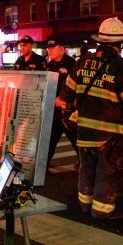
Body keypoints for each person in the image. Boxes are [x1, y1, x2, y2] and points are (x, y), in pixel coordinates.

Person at [56, 18, 123, 220]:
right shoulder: (121, 66)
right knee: (108, 171)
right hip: (111, 133)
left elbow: (65, 96)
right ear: (120, 43)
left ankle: (85, 204)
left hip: (85, 130)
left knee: (87, 168)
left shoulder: (82, 62)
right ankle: (102, 210)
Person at [45, 38, 77, 170]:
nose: (50, 50)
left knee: (75, 137)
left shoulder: (72, 64)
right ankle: (44, 164)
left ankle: (85, 163)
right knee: (50, 138)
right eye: (49, 48)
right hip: (52, 109)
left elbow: (75, 86)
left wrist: (63, 99)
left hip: (67, 109)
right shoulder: (50, 64)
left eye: (53, 47)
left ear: (62, 49)